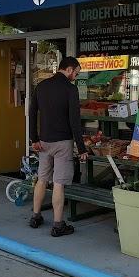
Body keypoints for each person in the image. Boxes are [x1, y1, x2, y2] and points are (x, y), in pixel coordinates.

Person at [28, 56, 88, 237]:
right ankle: (58, 225)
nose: (75, 77)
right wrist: (82, 148)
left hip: (44, 141)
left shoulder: (41, 86)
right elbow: (74, 121)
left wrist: (34, 138)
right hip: (63, 143)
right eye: (76, 73)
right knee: (59, 183)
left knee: (42, 179)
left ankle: (35, 216)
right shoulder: (70, 89)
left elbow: (32, 113)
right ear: (69, 69)